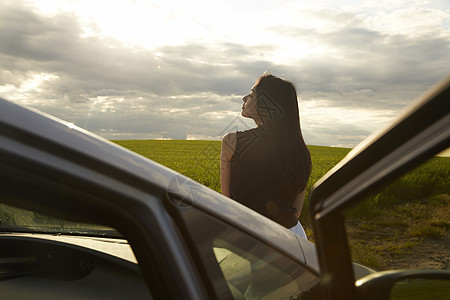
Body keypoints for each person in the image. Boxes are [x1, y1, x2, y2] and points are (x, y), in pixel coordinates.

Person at [220, 73, 311, 239]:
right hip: (292, 235)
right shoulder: (301, 151)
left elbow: (228, 202)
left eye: (252, 94)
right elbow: (296, 212)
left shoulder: (231, 142)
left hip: (250, 236)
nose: (244, 98)